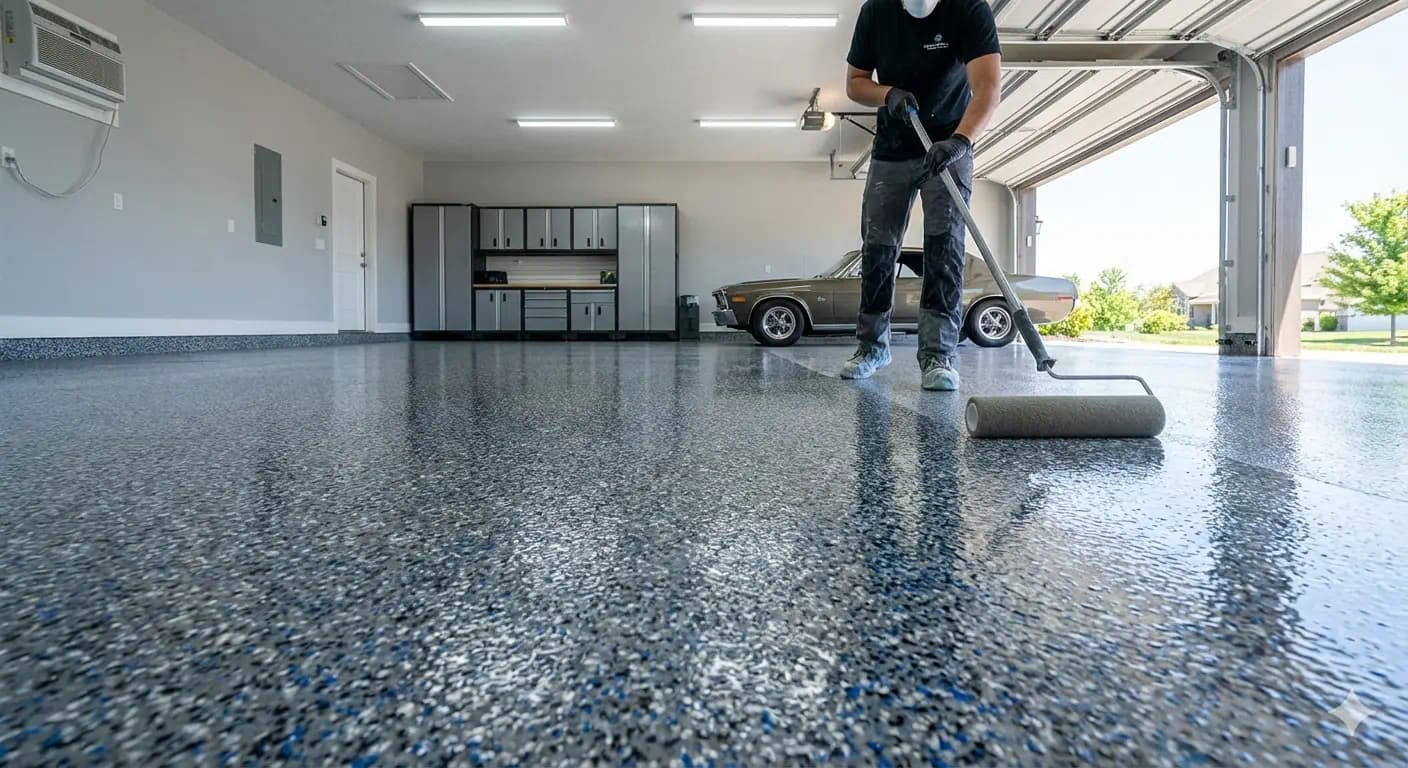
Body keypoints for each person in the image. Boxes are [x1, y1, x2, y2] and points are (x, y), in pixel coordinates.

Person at [840, 0, 1002, 390]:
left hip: (949, 142)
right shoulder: (876, 11)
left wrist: (961, 140)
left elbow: (988, 85)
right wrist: (886, 93)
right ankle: (872, 346)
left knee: (944, 250)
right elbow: (855, 81)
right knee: (877, 248)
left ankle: (939, 356)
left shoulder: (968, 9)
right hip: (893, 148)